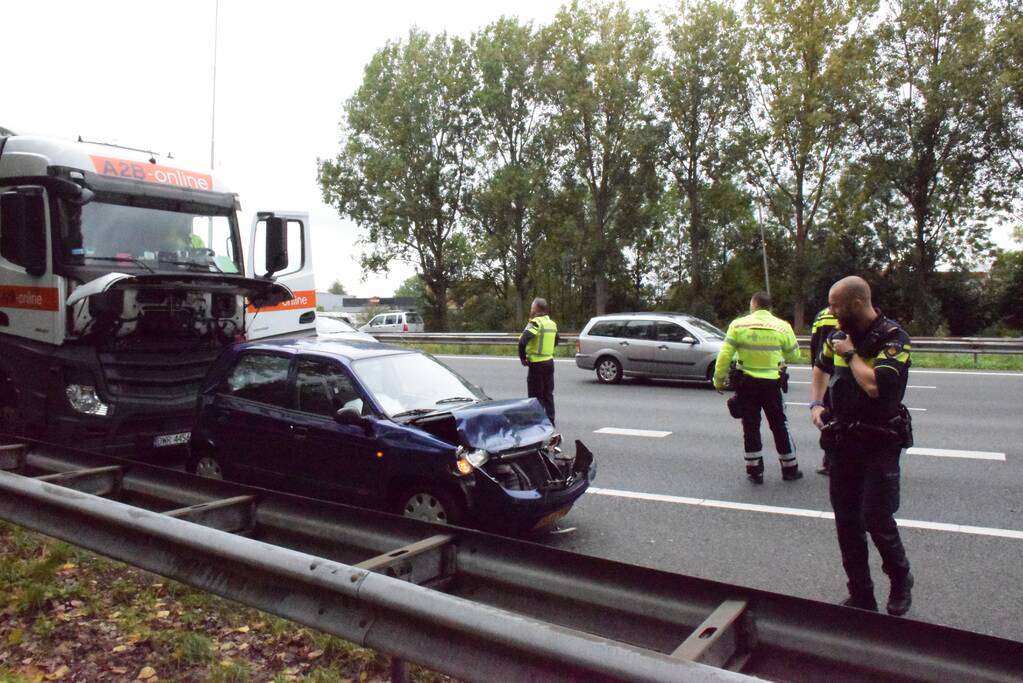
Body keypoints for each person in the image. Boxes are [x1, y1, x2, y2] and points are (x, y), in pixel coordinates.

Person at [809, 275, 914, 616]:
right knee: (847, 523)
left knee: (877, 519)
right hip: (843, 441)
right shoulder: (838, 336)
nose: (831, 311)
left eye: (836, 305)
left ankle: (900, 581)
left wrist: (851, 353)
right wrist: (816, 403)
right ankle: (861, 595)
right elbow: (820, 368)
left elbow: (876, 387)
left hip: (879, 441)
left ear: (856, 303)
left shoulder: (893, 338)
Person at [712, 291, 802, 484]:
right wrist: (778, 359)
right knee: (779, 425)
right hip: (772, 384)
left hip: (747, 384)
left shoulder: (738, 325)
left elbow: (724, 355)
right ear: (770, 308)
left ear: (753, 305)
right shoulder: (782, 326)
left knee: (750, 425)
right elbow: (795, 356)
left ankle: (754, 470)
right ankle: (790, 468)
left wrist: (718, 380)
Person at [518, 298, 560, 425]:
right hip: (549, 361)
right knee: (548, 394)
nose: (531, 310)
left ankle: (537, 423)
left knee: (535, 396)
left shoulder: (535, 323)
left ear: (536, 309)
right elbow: (557, 340)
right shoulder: (552, 323)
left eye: (532, 307)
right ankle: (551, 422)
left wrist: (522, 358)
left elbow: (522, 341)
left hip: (536, 363)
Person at [810, 305, 839, 475]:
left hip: (824, 371)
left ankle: (829, 461)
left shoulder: (821, 316)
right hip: (843, 372)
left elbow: (815, 345)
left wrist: (815, 372)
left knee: (827, 417)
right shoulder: (853, 314)